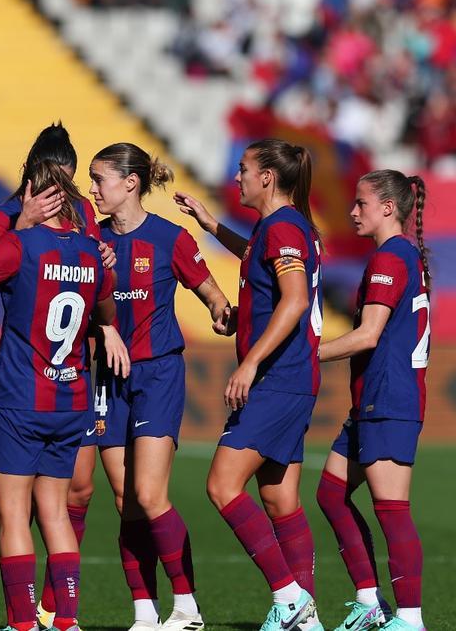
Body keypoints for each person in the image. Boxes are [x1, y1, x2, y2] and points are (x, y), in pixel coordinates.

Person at [0, 159, 131, 631]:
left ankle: (22, 623)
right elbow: (107, 306)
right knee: (54, 513)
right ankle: (66, 621)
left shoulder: (20, 245)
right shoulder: (95, 253)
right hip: (70, 398)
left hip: (20, 398)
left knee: (13, 516)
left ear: (33, 193)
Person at [174, 139, 324, 631]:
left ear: (267, 178)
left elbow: (295, 299)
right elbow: (257, 260)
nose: (236, 177)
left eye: (243, 169)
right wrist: (211, 224)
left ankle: (288, 598)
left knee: (221, 485)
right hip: (290, 376)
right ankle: (306, 615)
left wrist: (249, 361)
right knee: (280, 499)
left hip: (277, 377)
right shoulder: (279, 228)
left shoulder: (282, 227)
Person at [87, 142, 232, 631]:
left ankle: (187, 607)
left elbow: (212, 294)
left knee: (150, 495)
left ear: (130, 183)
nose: (92, 190)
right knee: (125, 501)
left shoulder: (170, 238)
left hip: (157, 374)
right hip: (107, 379)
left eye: (99, 179)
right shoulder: (91, 241)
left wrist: (221, 313)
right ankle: (145, 613)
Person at [0, 121, 112, 629]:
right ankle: (63, 618)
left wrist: (109, 324)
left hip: (35, 379)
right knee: (56, 504)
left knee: (42, 505)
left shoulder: (79, 219)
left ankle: (33, 618)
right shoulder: (8, 214)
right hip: (55, 374)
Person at [316, 169, 431, 631]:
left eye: (361, 203)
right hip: (373, 400)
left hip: (389, 398)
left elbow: (367, 335)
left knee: (391, 508)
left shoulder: (390, 257)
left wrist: (307, 356)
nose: (352, 211)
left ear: (388, 208)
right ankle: (370, 601)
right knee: (330, 493)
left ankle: (409, 618)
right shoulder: (400, 255)